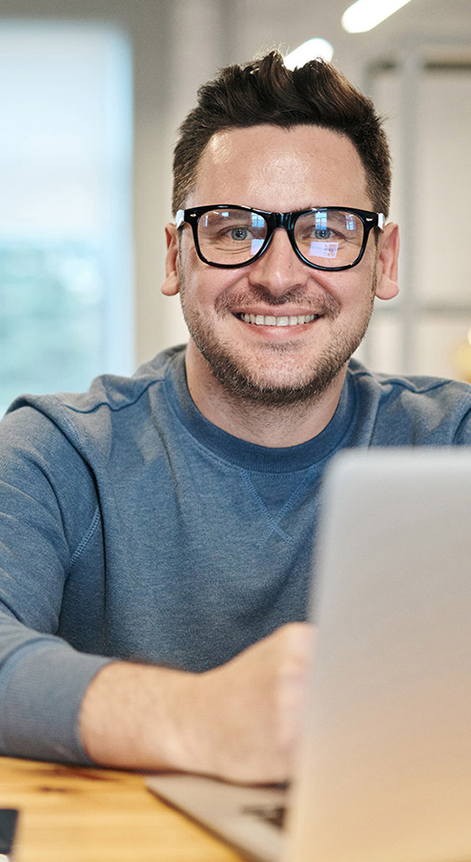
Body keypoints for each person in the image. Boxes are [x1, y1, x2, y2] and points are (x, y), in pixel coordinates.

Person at [0, 51, 470, 784]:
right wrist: (197, 718)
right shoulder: (58, 456)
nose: (279, 275)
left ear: (382, 259)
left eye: (326, 229)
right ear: (174, 256)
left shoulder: (452, 446)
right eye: (229, 229)